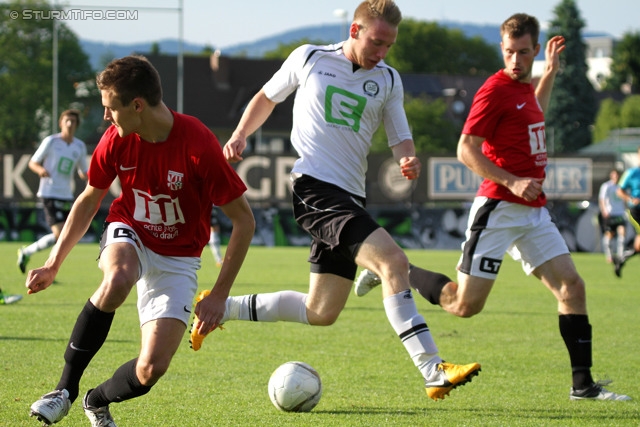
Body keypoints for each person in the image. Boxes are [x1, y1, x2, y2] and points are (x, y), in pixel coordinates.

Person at [205, 0, 481, 402]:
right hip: (314, 188)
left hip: (351, 196)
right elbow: (267, 97)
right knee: (395, 262)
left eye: (389, 45)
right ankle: (433, 369)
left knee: (321, 311)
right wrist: (240, 133)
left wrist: (407, 156)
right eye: (376, 42)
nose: (382, 52)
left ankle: (222, 309)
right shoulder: (311, 57)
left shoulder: (388, 79)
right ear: (355, 31)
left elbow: (399, 133)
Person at [354, 13, 631, 401]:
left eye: (523, 52)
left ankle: (582, 386)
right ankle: (394, 272)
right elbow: (465, 149)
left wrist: (548, 73)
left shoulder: (525, 90)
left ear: (535, 50)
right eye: (509, 52)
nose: (515, 60)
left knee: (572, 287)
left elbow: (535, 111)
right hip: (498, 207)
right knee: (463, 306)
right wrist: (513, 180)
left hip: (533, 212)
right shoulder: (495, 89)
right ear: (502, 50)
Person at [27, 55, 255, 426]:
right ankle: (64, 390)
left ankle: (95, 400)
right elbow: (89, 199)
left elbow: (244, 222)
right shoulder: (116, 139)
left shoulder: (198, 144)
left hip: (179, 259)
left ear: (137, 105)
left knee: (151, 369)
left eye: (109, 108)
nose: (105, 117)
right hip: (129, 228)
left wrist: (219, 294)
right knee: (117, 278)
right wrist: (54, 263)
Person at [17, 109, 88, 274]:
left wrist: (93, 176)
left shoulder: (79, 146)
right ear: (61, 123)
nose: (70, 124)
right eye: (67, 121)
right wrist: (40, 170)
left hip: (66, 195)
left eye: (73, 121)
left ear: (77, 125)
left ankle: (29, 254)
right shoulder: (51, 141)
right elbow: (33, 162)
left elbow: (83, 171)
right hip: (49, 192)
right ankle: (47, 268)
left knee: (63, 236)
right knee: (60, 233)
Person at [614, 147, 640, 277]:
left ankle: (621, 258)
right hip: (636, 211)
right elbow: (619, 190)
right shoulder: (632, 173)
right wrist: (630, 198)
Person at [598, 169, 626, 266]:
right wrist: (604, 210)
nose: (616, 177)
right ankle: (609, 255)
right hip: (610, 214)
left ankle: (620, 256)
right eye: (614, 175)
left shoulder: (622, 186)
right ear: (611, 176)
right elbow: (602, 199)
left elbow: (625, 199)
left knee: (622, 233)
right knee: (609, 235)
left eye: (617, 175)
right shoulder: (607, 186)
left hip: (620, 213)